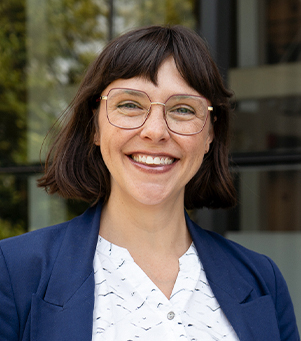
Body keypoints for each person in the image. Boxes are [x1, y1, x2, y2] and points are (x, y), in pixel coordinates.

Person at [0, 25, 299, 341]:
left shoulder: (262, 279)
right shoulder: (14, 271)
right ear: (95, 126)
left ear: (210, 134)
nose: (156, 131)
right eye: (130, 104)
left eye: (182, 109)